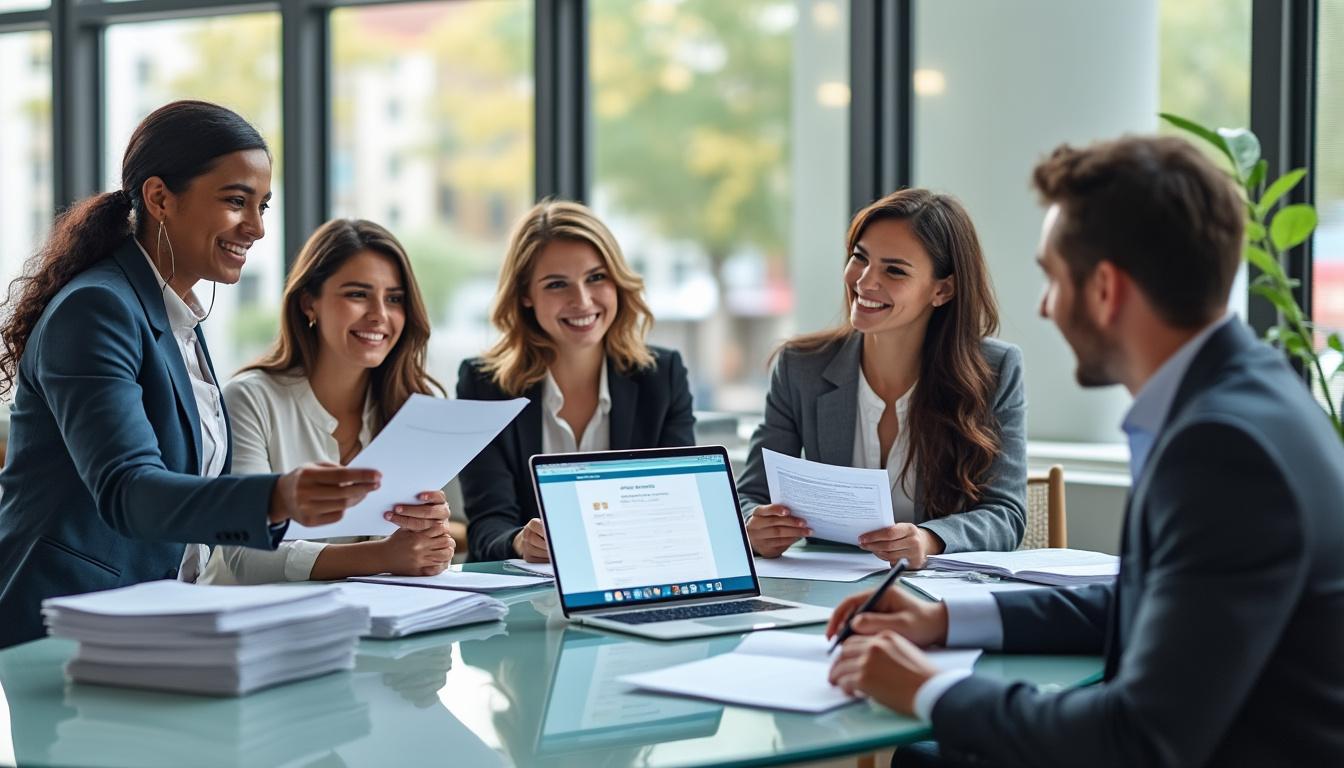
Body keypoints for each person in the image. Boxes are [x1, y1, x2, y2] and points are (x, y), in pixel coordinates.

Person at [825, 136, 1344, 767]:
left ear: (1105, 289)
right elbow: (1145, 600)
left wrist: (929, 688)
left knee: (929, 754)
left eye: (1051, 277)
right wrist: (947, 620)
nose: (1044, 306)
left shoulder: (1221, 448)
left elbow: (1138, 740)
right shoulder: (1249, 395)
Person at [0, 102, 439, 649]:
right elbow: (128, 492)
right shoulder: (97, 309)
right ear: (160, 198)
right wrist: (277, 497)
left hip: (162, 618)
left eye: (262, 206)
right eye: (236, 202)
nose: (255, 228)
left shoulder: (178, 315)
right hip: (69, 625)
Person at [737, 188, 1026, 568]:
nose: (865, 281)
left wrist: (930, 539)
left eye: (894, 270)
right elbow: (749, 497)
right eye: (860, 258)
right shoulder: (799, 367)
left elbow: (1006, 514)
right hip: (821, 587)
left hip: (934, 596)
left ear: (942, 289)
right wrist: (754, 527)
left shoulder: (995, 369)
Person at [199, 219, 454, 584]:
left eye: (394, 299)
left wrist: (428, 532)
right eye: (357, 294)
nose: (379, 315)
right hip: (255, 626)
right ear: (309, 304)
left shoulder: (415, 408)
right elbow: (245, 555)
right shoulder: (250, 399)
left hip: (371, 621)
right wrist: (381, 555)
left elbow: (446, 535)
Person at [457, 199, 695, 563]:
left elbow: (678, 510)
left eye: (596, 278)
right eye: (557, 285)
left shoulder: (661, 377)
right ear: (525, 295)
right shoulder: (484, 386)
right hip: (531, 594)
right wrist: (520, 542)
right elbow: (487, 527)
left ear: (617, 282)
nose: (581, 301)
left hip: (638, 577)